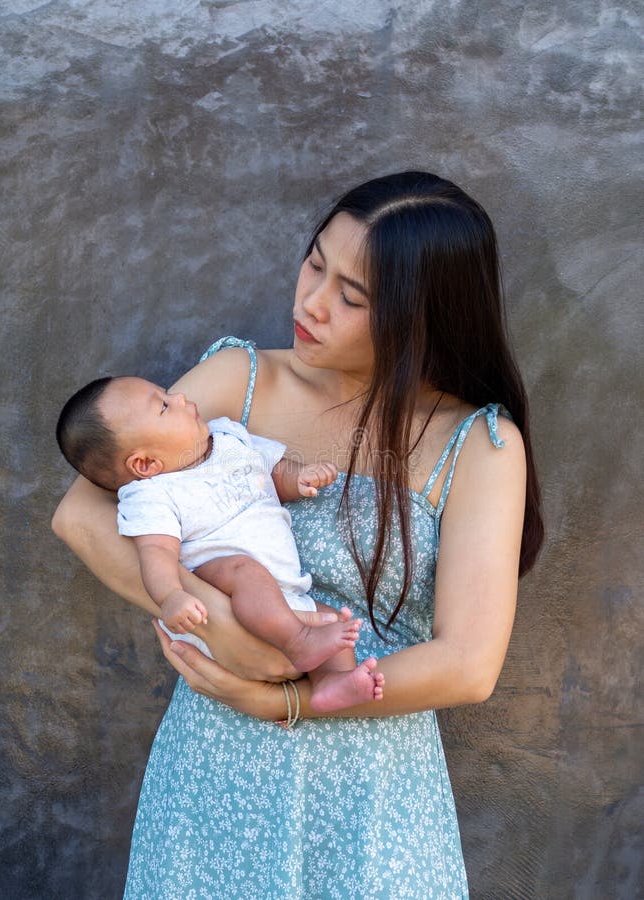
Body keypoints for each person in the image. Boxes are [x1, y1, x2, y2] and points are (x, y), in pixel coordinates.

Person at [52, 171, 543, 898]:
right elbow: (83, 515)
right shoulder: (238, 382)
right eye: (315, 262)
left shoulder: (478, 444)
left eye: (352, 296)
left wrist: (287, 700)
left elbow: (468, 665)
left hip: (373, 799)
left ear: (422, 316)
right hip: (214, 773)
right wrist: (224, 626)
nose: (310, 302)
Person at [55, 375, 384, 712]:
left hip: (283, 592)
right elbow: (156, 554)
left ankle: (332, 683)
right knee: (246, 571)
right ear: (146, 464)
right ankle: (299, 642)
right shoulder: (152, 494)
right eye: (165, 406)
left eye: (168, 393)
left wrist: (299, 478)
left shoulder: (227, 437)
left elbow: (270, 472)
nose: (181, 397)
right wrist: (171, 597)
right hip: (224, 588)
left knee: (331, 620)